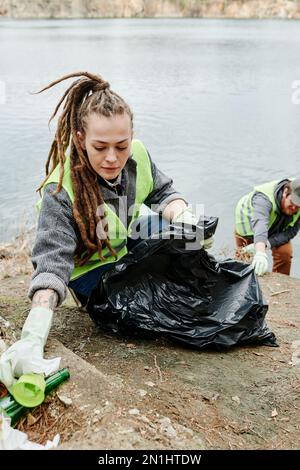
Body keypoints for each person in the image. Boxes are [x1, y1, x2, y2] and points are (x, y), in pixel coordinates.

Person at [0, 71, 213, 389]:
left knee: (184, 239)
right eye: (99, 147)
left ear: (131, 136)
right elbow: (51, 267)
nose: (112, 158)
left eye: (121, 145)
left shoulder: (138, 154)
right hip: (92, 272)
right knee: (140, 312)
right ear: (79, 138)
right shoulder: (60, 192)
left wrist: (182, 214)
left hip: (124, 242)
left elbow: (164, 192)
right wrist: (33, 335)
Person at [235, 177, 300, 276]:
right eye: (292, 202)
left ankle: (280, 283)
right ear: (285, 192)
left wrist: (268, 244)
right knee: (243, 259)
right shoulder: (263, 199)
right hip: (250, 228)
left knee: (285, 253)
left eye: (298, 206)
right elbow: (260, 224)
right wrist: (260, 253)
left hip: (276, 227)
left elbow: (292, 230)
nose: (294, 208)